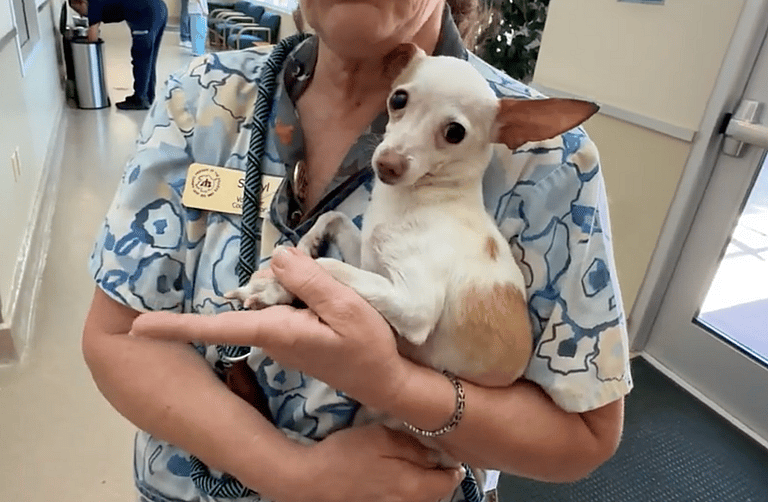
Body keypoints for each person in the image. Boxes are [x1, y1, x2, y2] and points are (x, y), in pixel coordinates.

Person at [82, 1, 633, 501]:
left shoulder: (544, 160)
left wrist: (397, 385)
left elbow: (581, 438)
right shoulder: (201, 97)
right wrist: (292, 474)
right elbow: (118, 337)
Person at [68, 0, 168, 110]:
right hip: (159, 8)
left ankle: (140, 99)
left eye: (79, 11)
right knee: (149, 57)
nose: (82, 15)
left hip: (146, 13)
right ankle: (147, 96)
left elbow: (92, 38)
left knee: (141, 58)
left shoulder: (92, 3)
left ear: (82, 2)